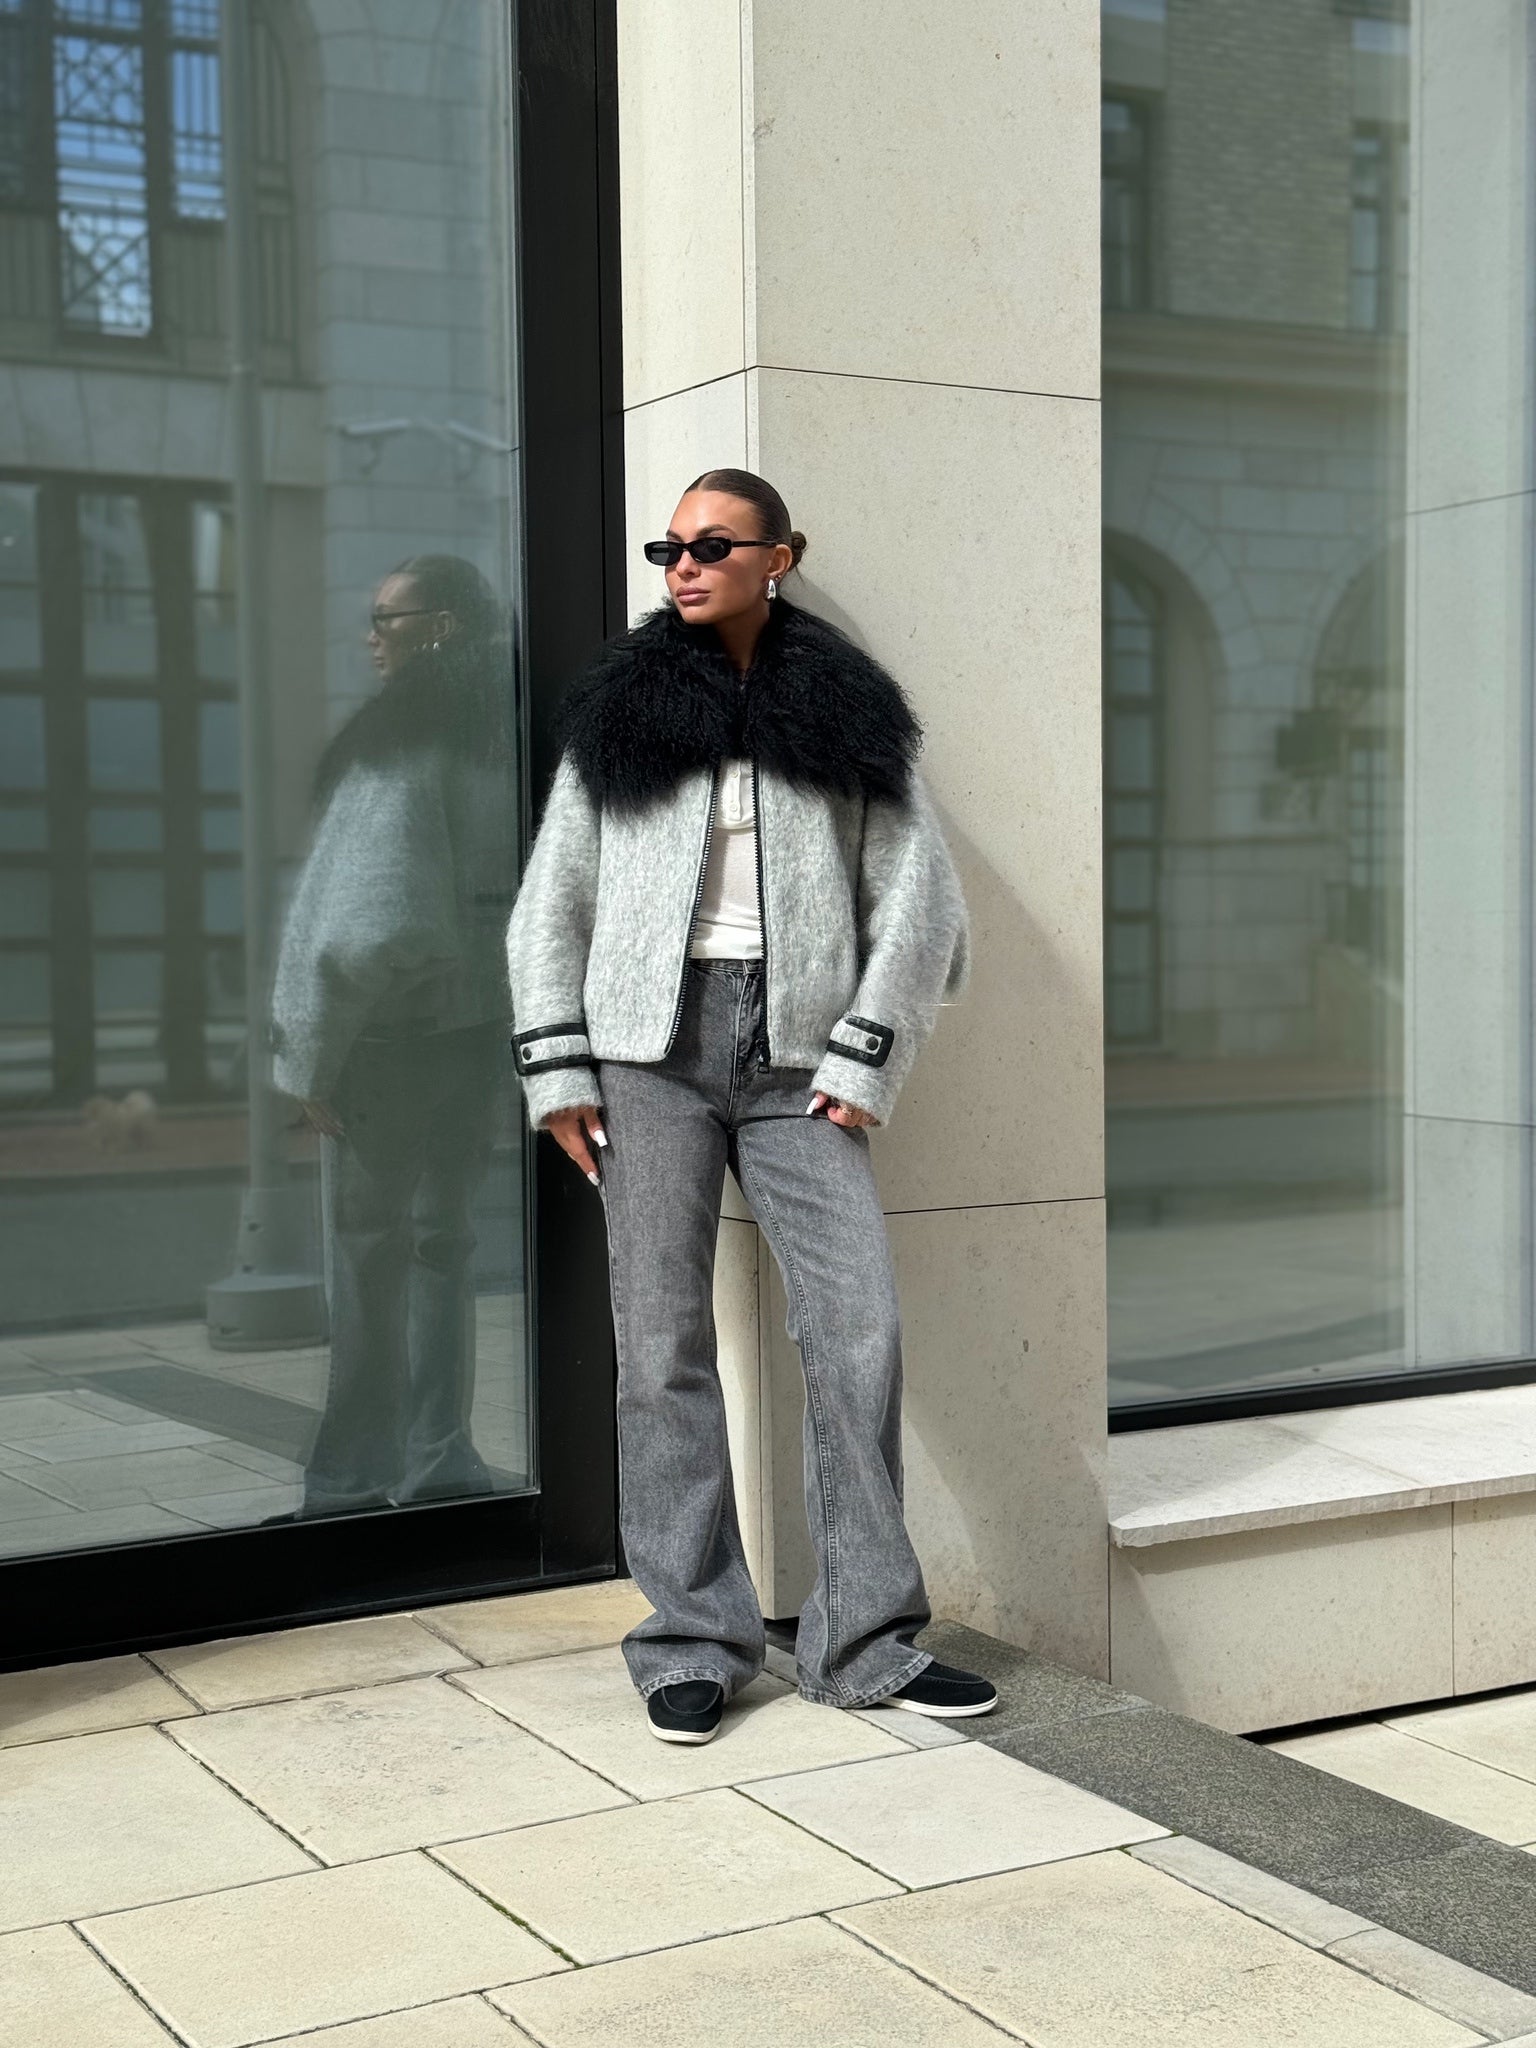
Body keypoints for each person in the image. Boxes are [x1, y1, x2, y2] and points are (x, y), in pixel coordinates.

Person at [506, 468, 998, 1743]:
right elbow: (554, 900)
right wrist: (557, 1069)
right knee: (662, 1345)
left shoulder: (846, 711)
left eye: (713, 544)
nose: (684, 563)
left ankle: (865, 1642)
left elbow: (923, 901)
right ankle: (692, 1636)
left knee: (857, 1328)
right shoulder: (620, 713)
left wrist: (864, 1057)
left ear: (780, 555)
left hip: (798, 1065)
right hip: (645, 1056)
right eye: (669, 546)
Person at [271, 553, 516, 1514]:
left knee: (369, 1260)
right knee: (442, 1249)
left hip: (388, 1043)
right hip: (474, 1034)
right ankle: (439, 1462)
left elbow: (372, 921)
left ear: (441, 628)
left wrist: (310, 1056)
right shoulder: (504, 734)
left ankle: (350, 1482)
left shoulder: (403, 744)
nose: (370, 635)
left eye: (388, 617)